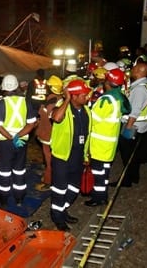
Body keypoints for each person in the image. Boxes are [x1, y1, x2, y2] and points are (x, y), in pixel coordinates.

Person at [49, 79, 91, 231]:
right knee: (60, 189)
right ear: (73, 96)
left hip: (78, 157)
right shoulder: (63, 108)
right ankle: (57, 217)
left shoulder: (86, 111)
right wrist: (66, 99)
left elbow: (87, 134)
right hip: (62, 157)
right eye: (83, 95)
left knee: (74, 188)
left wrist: (86, 155)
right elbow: (56, 118)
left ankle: (62, 210)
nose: (87, 97)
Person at [85, 69, 130, 206]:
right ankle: (102, 194)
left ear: (108, 82)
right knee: (104, 172)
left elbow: (92, 120)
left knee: (98, 173)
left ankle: (98, 198)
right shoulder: (119, 97)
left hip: (99, 144)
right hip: (110, 144)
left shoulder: (106, 100)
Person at [0, 74, 36, 208]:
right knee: (19, 169)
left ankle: (4, 198)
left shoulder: (1, 104)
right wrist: (18, 136)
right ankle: (19, 198)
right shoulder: (25, 102)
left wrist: (11, 137)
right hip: (21, 142)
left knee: (5, 170)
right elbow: (31, 124)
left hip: (5, 142)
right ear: (17, 87)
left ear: (4, 88)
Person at [113, 62, 147, 187]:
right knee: (133, 155)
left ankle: (127, 180)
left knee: (127, 155)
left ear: (140, 71)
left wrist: (127, 129)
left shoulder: (140, 89)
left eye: (134, 69)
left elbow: (135, 111)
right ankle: (134, 176)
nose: (132, 71)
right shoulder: (145, 85)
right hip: (140, 125)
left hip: (133, 126)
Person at [34, 75, 63, 191]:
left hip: (49, 135)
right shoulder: (59, 98)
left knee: (49, 159)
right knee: (50, 159)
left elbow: (48, 116)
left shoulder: (52, 101)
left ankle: (49, 181)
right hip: (51, 134)